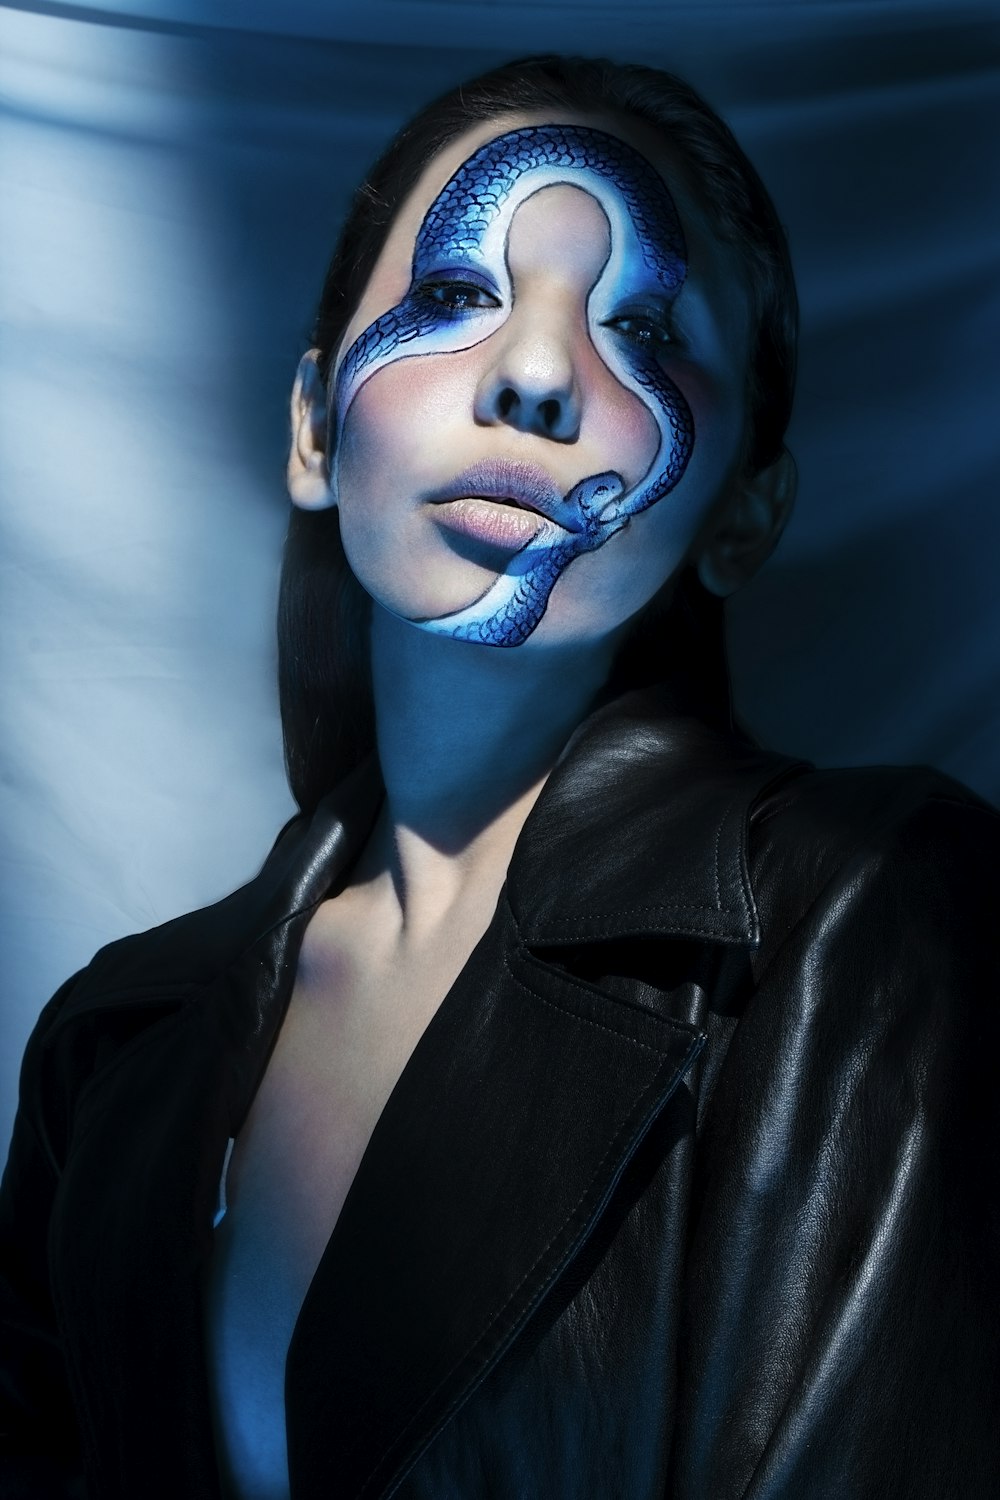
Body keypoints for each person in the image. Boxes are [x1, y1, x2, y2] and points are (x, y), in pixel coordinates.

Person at [1, 52, 997, 1500]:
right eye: (460, 297)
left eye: (643, 328)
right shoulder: (114, 1047)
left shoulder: (869, 920)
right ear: (311, 428)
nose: (536, 375)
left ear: (745, 513)